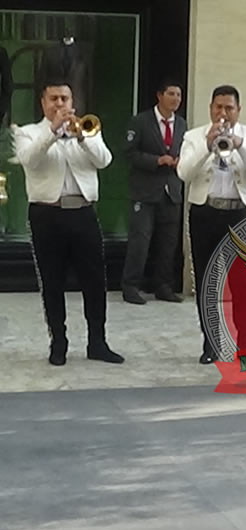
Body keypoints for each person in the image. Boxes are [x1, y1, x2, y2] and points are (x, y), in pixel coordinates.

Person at [12, 82, 124, 366]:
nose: (59, 104)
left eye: (64, 98)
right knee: (52, 281)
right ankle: (58, 343)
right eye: (53, 99)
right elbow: (29, 160)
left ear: (73, 101)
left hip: (83, 212)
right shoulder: (28, 132)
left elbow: (105, 160)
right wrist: (52, 132)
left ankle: (97, 342)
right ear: (43, 103)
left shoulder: (87, 128)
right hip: (46, 214)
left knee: (95, 280)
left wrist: (83, 137)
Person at [177, 84, 246, 364]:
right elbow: (183, 172)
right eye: (218, 107)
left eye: (229, 107)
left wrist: (239, 147)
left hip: (237, 214)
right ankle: (211, 344)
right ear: (210, 109)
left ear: (239, 110)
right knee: (206, 281)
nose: (223, 113)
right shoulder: (194, 136)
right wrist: (207, 145)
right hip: (204, 212)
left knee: (241, 283)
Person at [121, 80, 187, 304]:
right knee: (140, 241)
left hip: (172, 192)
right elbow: (129, 153)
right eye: (171, 94)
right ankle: (130, 286)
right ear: (159, 95)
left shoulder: (182, 124)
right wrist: (156, 160)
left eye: (178, 95)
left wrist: (181, 161)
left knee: (168, 243)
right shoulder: (140, 122)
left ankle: (163, 285)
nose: (176, 99)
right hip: (145, 191)